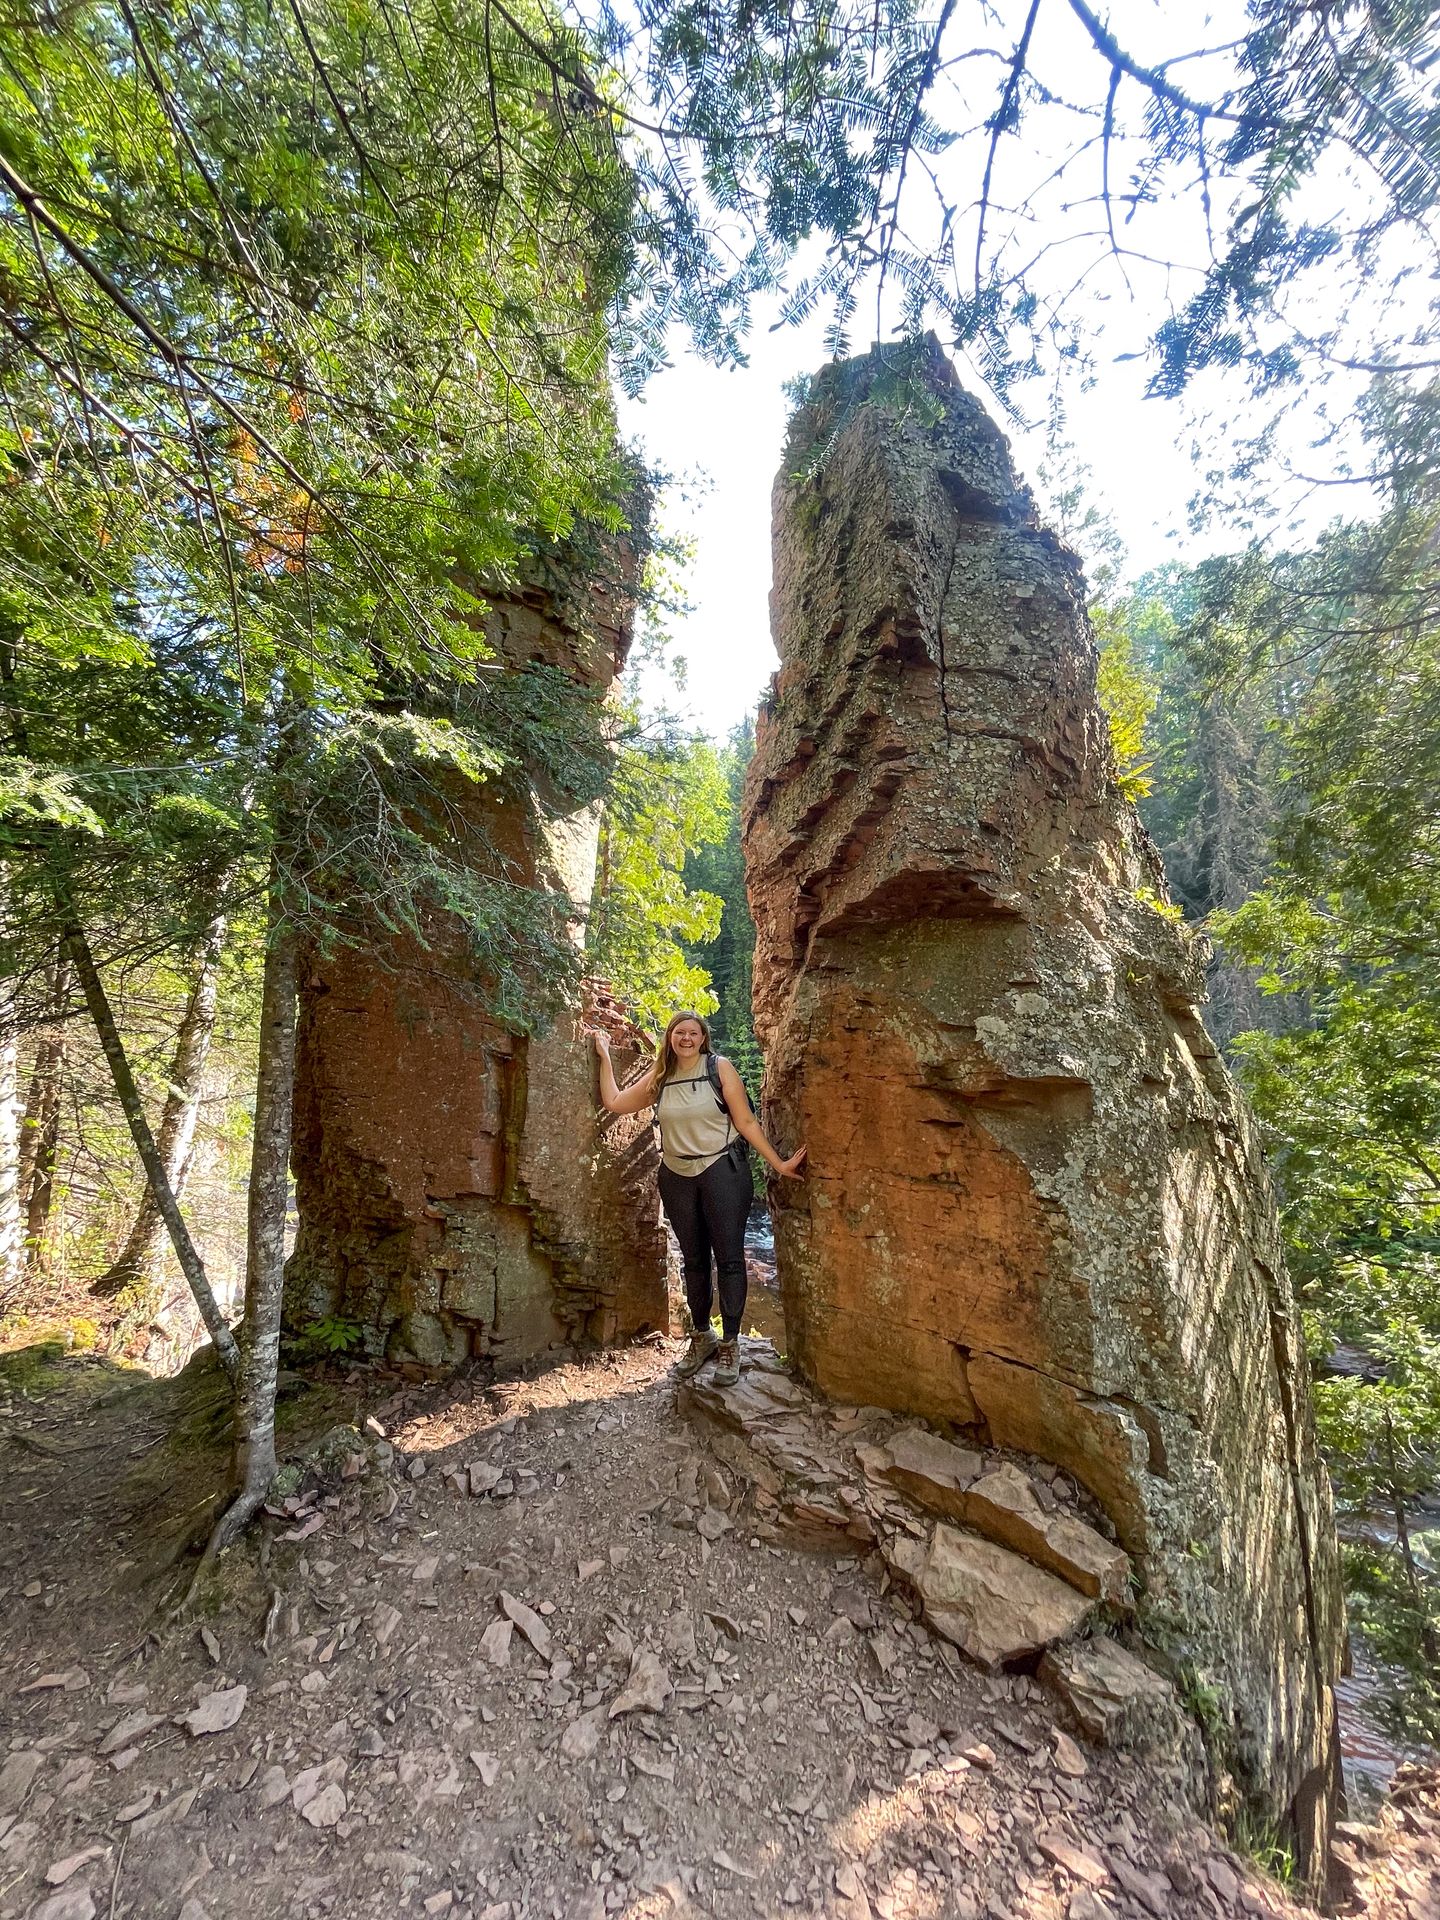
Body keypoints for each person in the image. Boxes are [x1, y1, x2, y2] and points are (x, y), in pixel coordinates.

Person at [591, 1012, 806, 1385]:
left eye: (693, 1033)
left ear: (703, 1038)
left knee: (729, 1258)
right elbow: (615, 1102)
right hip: (676, 1176)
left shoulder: (719, 1069)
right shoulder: (660, 1077)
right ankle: (702, 1335)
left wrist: (779, 1164)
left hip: (722, 1171)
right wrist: (605, 1055)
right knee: (693, 1260)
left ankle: (731, 1343)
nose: (686, 1038)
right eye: (679, 1032)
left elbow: (746, 1123)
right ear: (670, 1038)